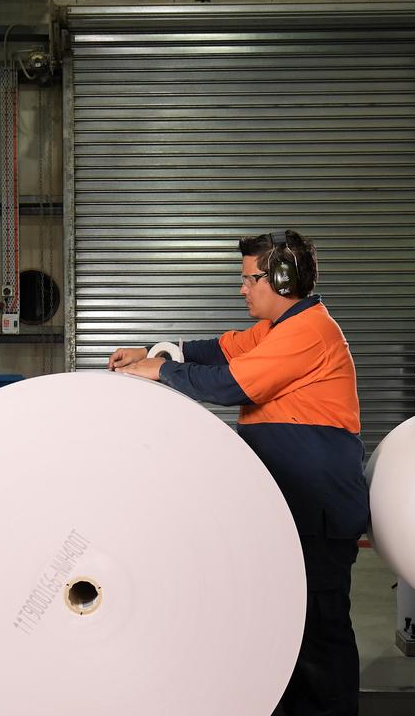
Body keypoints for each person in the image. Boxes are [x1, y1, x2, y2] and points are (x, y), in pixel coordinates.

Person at [109, 229, 368, 716]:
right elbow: (217, 350)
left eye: (249, 279)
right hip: (289, 505)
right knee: (289, 621)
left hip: (319, 508)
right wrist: (153, 352)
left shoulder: (308, 331)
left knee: (319, 626)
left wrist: (158, 373)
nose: (241, 289)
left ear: (282, 279)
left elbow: (231, 385)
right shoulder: (275, 330)